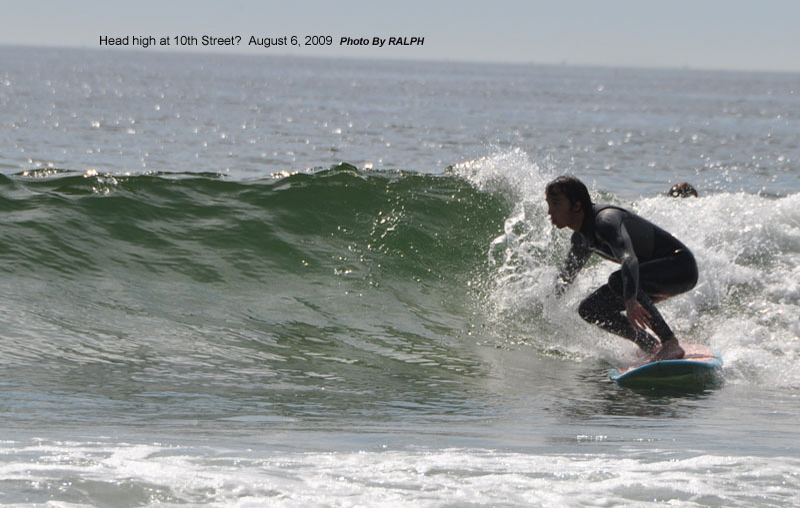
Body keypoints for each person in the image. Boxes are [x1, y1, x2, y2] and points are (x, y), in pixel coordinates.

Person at [546, 175, 698, 361]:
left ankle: (669, 342)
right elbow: (565, 278)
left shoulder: (605, 221)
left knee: (619, 280)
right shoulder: (581, 239)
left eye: (555, 204)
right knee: (590, 308)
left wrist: (631, 301)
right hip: (653, 274)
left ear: (577, 205)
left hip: (681, 266)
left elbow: (629, 259)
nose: (550, 211)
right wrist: (546, 305)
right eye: (548, 204)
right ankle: (649, 344)